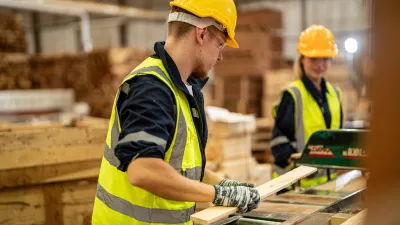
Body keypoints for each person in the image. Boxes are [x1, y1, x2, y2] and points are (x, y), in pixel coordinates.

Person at [91, 0, 261, 224]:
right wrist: (217, 195)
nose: (220, 57)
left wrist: (222, 184)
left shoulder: (180, 89)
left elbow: (178, 168)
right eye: (220, 44)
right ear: (201, 34)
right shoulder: (152, 88)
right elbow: (142, 170)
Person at [271, 24, 343, 190]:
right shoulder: (293, 94)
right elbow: (278, 142)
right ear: (302, 59)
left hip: (327, 185)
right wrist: (295, 165)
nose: (320, 65)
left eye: (325, 59)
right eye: (314, 59)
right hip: (296, 187)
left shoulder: (335, 94)